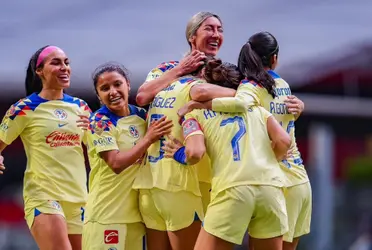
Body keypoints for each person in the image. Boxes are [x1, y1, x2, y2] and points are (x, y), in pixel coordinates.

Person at [180, 32, 310, 250]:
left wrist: (198, 106)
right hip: (291, 181)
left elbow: (238, 104)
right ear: (275, 59)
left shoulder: (248, 93)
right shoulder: (281, 85)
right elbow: (283, 137)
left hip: (250, 184)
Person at [163, 58, 291, 250]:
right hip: (271, 189)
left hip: (233, 190)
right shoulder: (256, 108)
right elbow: (284, 141)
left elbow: (195, 153)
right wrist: (274, 158)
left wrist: (179, 154)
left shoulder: (194, 113)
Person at [0, 45, 91, 250]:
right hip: (43, 197)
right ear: (39, 71)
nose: (64, 67)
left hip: (79, 200)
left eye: (66, 63)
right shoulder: (23, 108)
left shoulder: (81, 107)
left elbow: (99, 150)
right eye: (56, 63)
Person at [135, 11, 225, 217]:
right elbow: (142, 97)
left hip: (201, 175)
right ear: (192, 36)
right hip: (158, 175)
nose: (216, 34)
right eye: (209, 28)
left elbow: (247, 100)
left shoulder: (223, 75)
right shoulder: (167, 69)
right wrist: (180, 69)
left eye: (219, 30)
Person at [82, 62, 172, 250]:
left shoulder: (142, 115)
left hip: (136, 217)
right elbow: (115, 163)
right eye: (104, 88)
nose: (112, 92)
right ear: (98, 95)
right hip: (106, 216)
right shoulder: (100, 122)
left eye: (117, 84)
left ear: (128, 84)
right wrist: (147, 139)